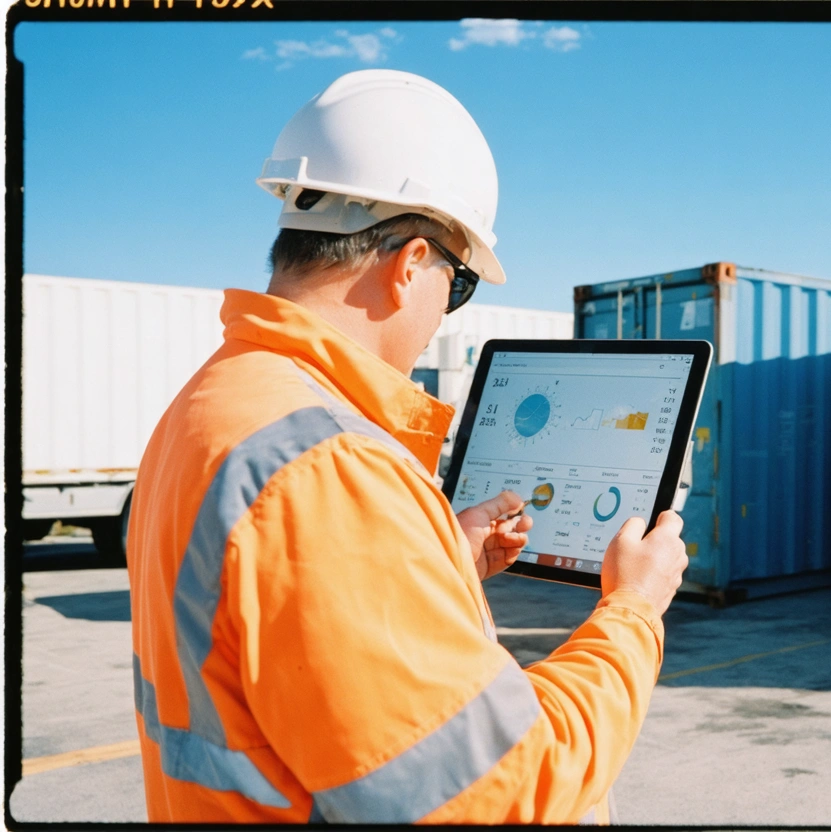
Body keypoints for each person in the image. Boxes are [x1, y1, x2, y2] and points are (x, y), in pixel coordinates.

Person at [127, 69, 689, 824]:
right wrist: (634, 608)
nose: (446, 316)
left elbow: (273, 630)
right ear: (412, 264)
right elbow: (499, 795)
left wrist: (437, 559)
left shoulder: (216, 402)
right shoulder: (329, 468)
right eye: (459, 285)